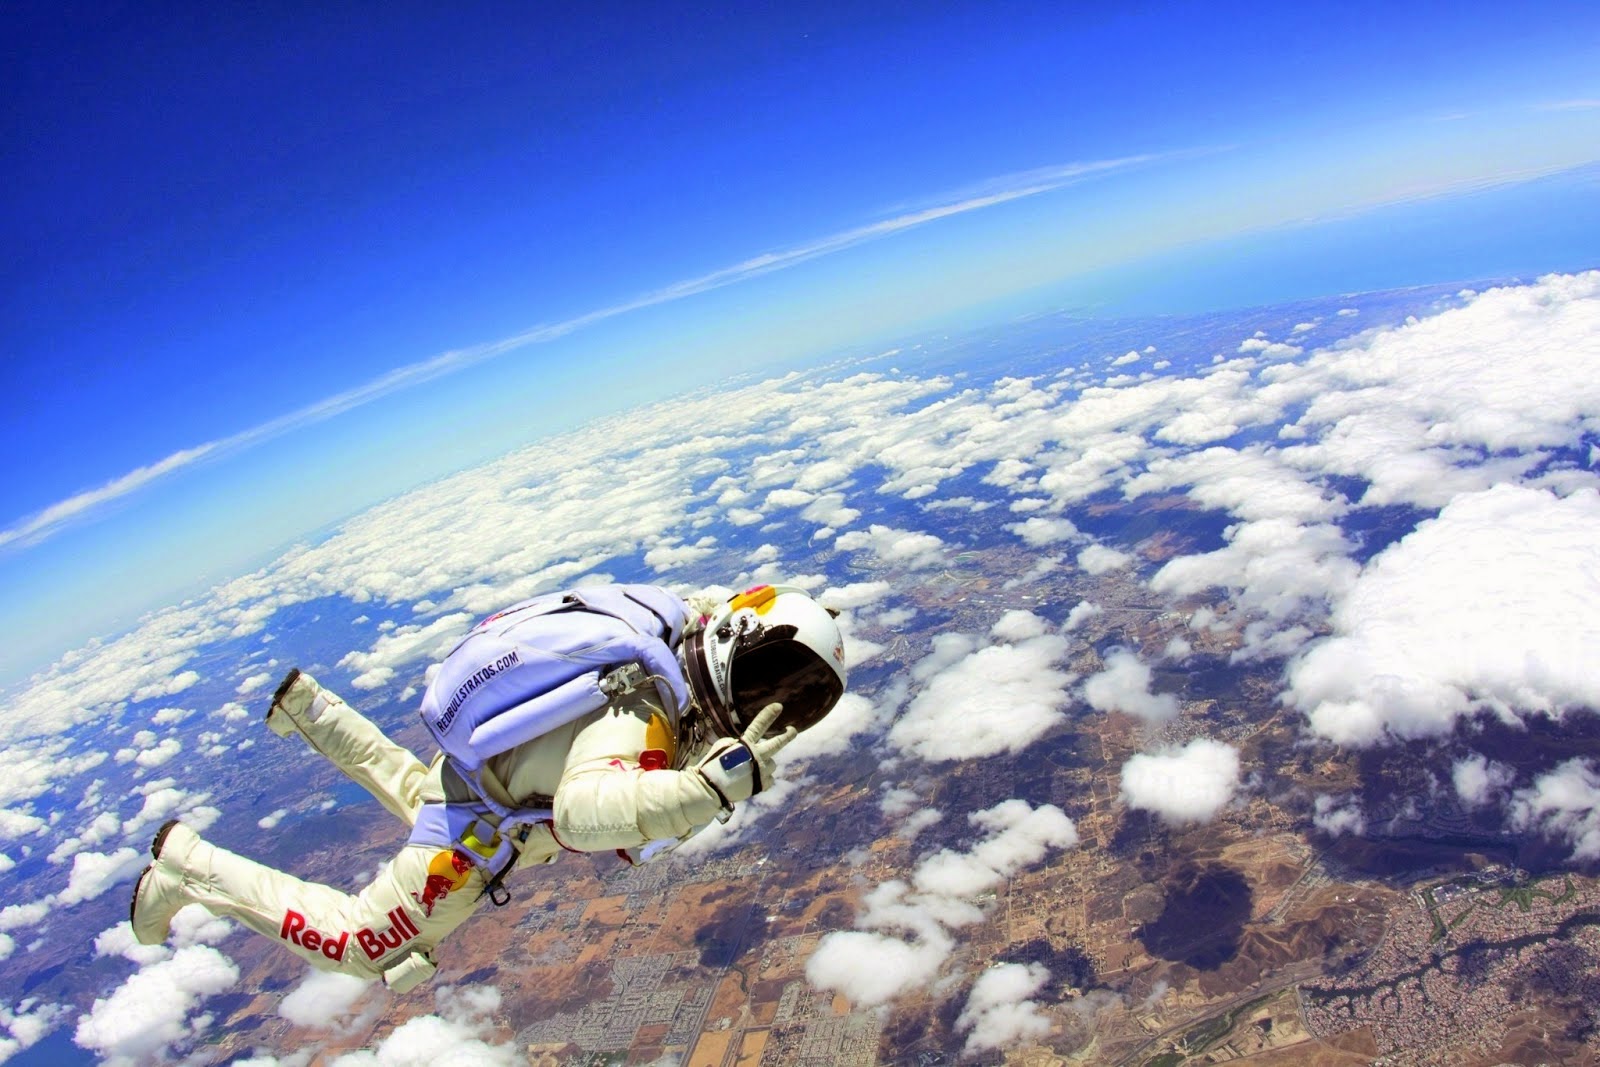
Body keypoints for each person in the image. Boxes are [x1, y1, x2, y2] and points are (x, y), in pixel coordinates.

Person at [129, 582, 846, 992]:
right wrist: (713, 790)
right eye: (772, 684)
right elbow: (585, 812)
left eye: (802, 699)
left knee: (419, 790)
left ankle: (308, 709)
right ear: (734, 648)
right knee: (358, 944)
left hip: (478, 779)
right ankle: (188, 867)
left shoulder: (668, 623)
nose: (771, 709)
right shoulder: (644, 709)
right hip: (476, 827)